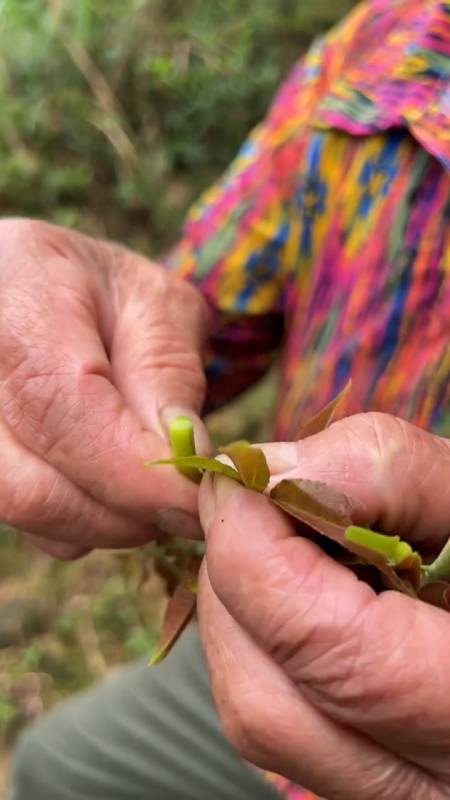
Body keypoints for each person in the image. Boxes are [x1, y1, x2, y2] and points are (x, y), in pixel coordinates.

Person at [3, 0, 449, 798]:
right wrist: (86, 325)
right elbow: (196, 312)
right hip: (268, 643)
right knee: (63, 766)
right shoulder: (383, 51)